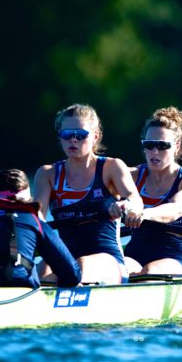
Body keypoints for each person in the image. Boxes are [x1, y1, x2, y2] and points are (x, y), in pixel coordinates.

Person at [33, 103, 144, 286]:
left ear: (95, 136)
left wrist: (126, 206)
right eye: (67, 135)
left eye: (80, 135)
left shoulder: (111, 167)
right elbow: (37, 219)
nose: (73, 140)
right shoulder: (47, 174)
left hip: (109, 261)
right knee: (42, 269)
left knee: (82, 265)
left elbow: (136, 200)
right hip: (67, 257)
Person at [123, 107, 182, 276]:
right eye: (150, 145)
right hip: (135, 252)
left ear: (176, 146)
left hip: (174, 254)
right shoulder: (132, 175)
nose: (155, 152)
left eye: (162, 146)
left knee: (151, 271)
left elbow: (176, 209)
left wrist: (145, 214)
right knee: (117, 267)